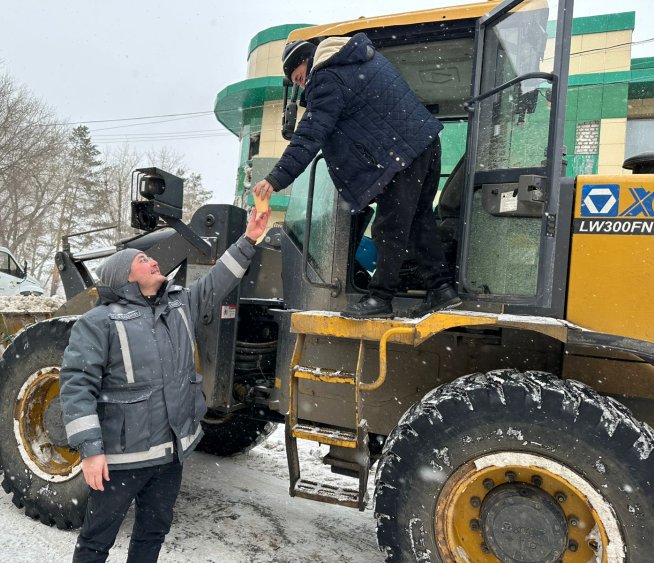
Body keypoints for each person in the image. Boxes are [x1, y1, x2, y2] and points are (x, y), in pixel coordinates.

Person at [60, 208, 270, 563]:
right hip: (121, 460)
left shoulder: (180, 305)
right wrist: (91, 451)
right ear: (123, 277)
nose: (153, 261)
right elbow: (77, 388)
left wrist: (248, 239)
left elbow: (219, 279)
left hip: (170, 455)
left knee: (153, 533)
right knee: (97, 540)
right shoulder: (97, 322)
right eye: (143, 259)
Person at [253, 33, 461, 319]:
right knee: (418, 221)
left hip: (400, 155)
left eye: (299, 77)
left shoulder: (325, 76)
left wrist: (276, 178)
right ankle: (441, 290)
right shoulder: (362, 59)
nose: (301, 84)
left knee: (390, 227)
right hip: (424, 144)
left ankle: (380, 298)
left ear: (308, 61)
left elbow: (310, 135)